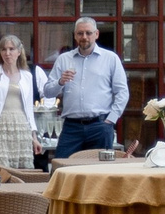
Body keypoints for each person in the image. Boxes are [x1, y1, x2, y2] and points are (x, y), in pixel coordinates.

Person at [46, 16, 128, 160]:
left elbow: (122, 92)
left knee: (99, 173)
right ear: (75, 35)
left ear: (96, 34)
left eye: (88, 33)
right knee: (61, 167)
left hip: (100, 126)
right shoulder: (64, 59)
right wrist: (60, 82)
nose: (84, 37)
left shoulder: (110, 59)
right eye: (80, 33)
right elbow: (47, 92)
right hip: (72, 127)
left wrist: (111, 119)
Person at [0, 33, 49, 171]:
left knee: (22, 169)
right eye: (3, 49)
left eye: (11, 49)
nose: (7, 53)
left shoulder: (27, 75)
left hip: (20, 124)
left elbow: (28, 109)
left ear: (19, 51)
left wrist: (34, 137)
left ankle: (18, 193)